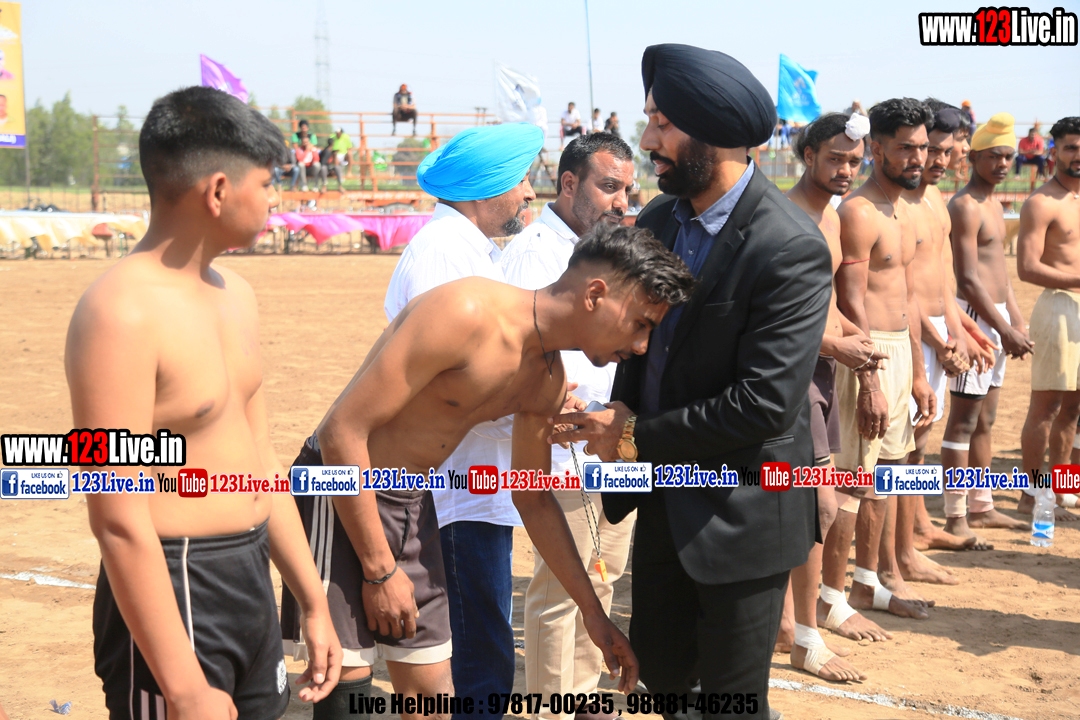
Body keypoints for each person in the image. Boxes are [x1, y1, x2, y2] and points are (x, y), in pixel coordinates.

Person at [284, 220, 691, 720]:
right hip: (342, 488)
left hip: (413, 501)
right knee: (347, 694)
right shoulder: (466, 312)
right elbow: (341, 432)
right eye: (640, 324)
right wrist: (379, 571)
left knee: (433, 702)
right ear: (596, 295)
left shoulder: (546, 378)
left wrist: (594, 614)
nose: (642, 345)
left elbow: (532, 497)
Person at [554, 44, 831, 719]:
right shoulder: (657, 221)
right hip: (663, 509)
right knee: (665, 688)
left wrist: (633, 435)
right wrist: (602, 404)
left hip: (742, 518)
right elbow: (640, 353)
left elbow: (765, 404)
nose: (648, 140)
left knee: (732, 704)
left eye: (662, 124)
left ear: (716, 135)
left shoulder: (789, 245)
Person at [66, 86, 341, 719]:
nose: (275, 200)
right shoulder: (118, 314)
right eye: (267, 184)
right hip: (172, 584)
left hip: (249, 574)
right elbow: (116, 517)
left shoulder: (236, 296)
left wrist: (312, 600)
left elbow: (262, 466)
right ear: (218, 191)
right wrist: (184, 687)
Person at [501, 132, 637, 718]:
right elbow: (511, 349)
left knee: (602, 579)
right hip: (559, 449)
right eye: (609, 186)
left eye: (627, 188)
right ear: (569, 184)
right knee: (561, 590)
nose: (621, 200)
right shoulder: (534, 253)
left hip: (614, 443)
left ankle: (580, 698)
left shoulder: (609, 252)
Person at [779, 111, 875, 683]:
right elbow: (775, 319)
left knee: (813, 500)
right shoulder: (782, 216)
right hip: (785, 378)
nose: (846, 169)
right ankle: (806, 638)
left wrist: (854, 341)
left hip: (821, 372)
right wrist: (839, 346)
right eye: (835, 158)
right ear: (808, 155)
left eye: (853, 160)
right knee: (818, 505)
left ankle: (788, 623)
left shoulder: (832, 217)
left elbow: (826, 302)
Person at [831, 98, 935, 626]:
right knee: (854, 479)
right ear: (877, 148)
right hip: (865, 353)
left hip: (899, 351)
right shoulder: (859, 212)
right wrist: (870, 377)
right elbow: (851, 301)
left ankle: (868, 583)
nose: (917, 158)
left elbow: (907, 299)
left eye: (922, 147)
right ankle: (831, 597)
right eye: (906, 147)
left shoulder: (904, 211)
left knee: (889, 475)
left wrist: (918, 373)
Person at [875, 103, 977, 591]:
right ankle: (900, 552)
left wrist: (961, 332)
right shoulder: (899, 206)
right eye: (927, 149)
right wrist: (939, 340)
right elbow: (904, 289)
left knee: (919, 444)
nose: (935, 159)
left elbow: (944, 278)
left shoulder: (935, 199)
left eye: (942, 150)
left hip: (939, 328)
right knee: (903, 449)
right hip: (913, 333)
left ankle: (913, 536)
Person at [941, 112, 1033, 546]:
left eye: (1008, 156)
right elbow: (968, 278)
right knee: (963, 421)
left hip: (995, 319)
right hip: (974, 319)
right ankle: (955, 516)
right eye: (994, 155)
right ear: (973, 156)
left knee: (986, 419)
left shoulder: (995, 204)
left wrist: (1015, 318)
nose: (1002, 164)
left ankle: (981, 507)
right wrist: (1001, 327)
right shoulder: (964, 206)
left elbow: (1000, 274)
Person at [1017, 116, 1080, 521]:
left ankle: (1063, 490)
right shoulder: (1041, 202)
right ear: (1053, 151)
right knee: (1047, 406)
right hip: (1058, 306)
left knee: (1074, 409)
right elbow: (1027, 267)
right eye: (1071, 147)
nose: (1078, 156)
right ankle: (1031, 494)